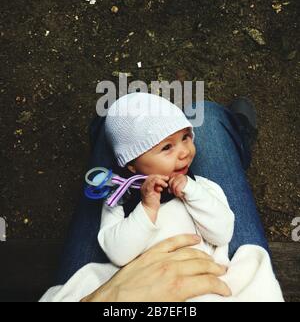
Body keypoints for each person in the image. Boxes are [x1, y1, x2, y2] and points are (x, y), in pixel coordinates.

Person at [40, 97, 283, 302]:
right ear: (132, 166)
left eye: (186, 137)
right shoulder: (121, 197)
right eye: (167, 147)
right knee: (207, 114)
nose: (185, 152)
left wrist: (193, 194)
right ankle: (234, 134)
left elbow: (222, 233)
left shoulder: (202, 187)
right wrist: (146, 208)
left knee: (109, 126)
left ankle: (100, 131)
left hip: (203, 273)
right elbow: (118, 252)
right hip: (143, 283)